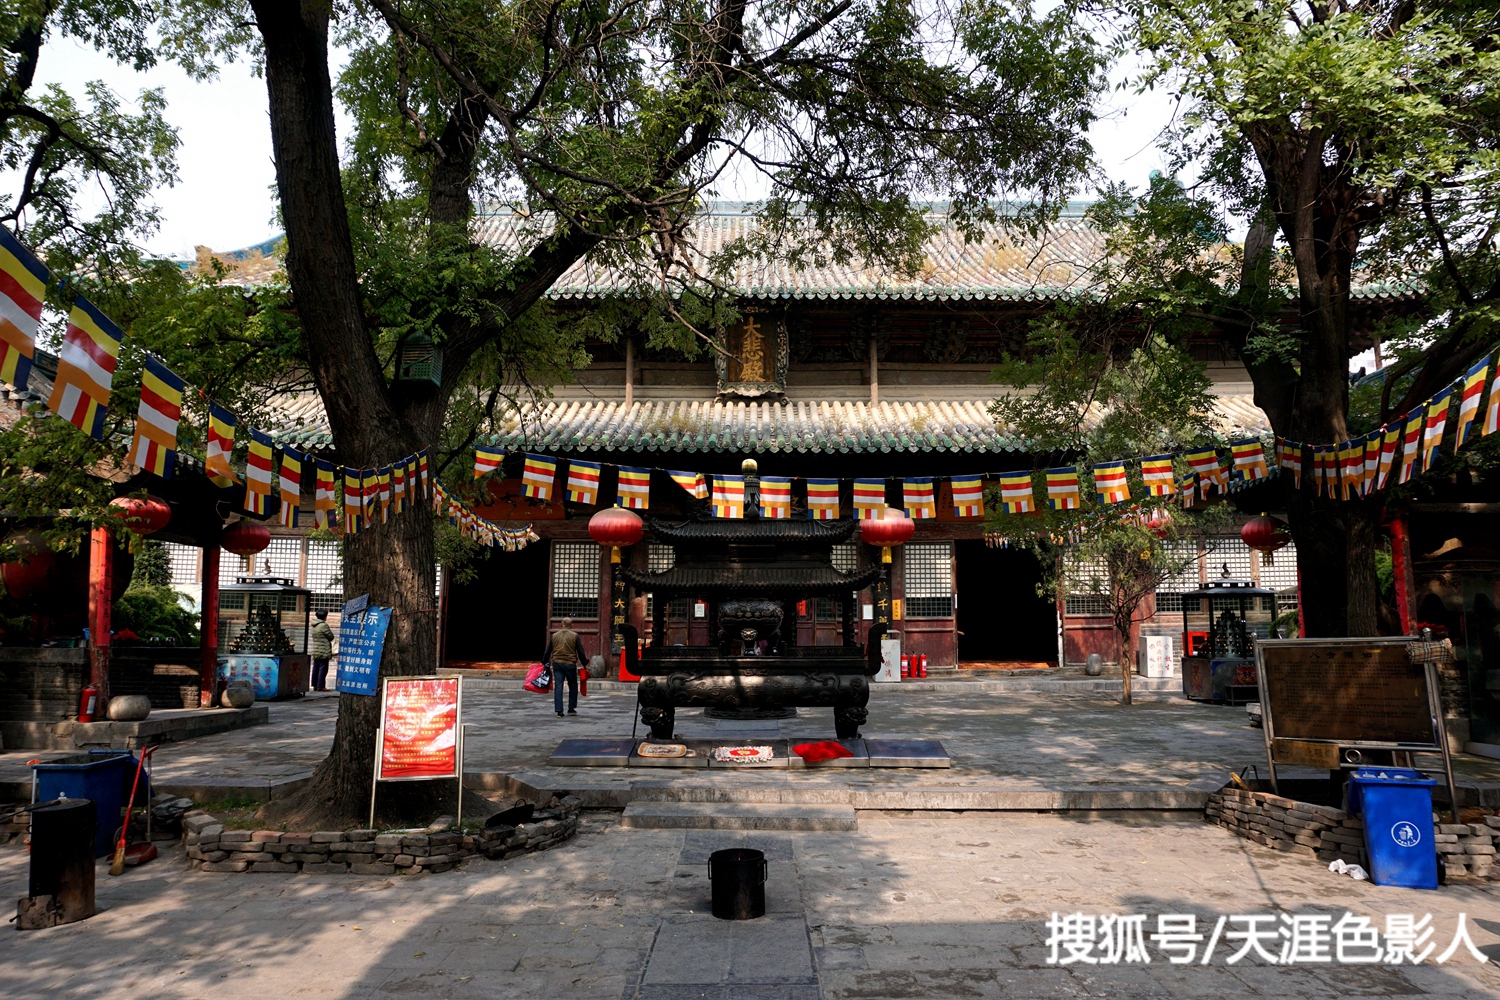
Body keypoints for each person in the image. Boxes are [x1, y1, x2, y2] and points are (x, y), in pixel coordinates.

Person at [543, 617, 588, 717]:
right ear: (571, 626)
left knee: (558, 686)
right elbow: (580, 652)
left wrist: (544, 662)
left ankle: (559, 710)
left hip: (557, 663)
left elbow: (548, 651)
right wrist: (585, 663)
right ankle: (571, 709)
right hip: (570, 664)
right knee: (573, 685)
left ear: (561, 624)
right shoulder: (575, 636)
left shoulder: (554, 636)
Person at [310, 610, 336, 692]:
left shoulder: (314, 625)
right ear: (324, 616)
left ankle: (314, 685)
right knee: (323, 668)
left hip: (316, 649)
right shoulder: (323, 625)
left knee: (315, 667)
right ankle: (321, 686)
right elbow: (331, 636)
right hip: (323, 649)